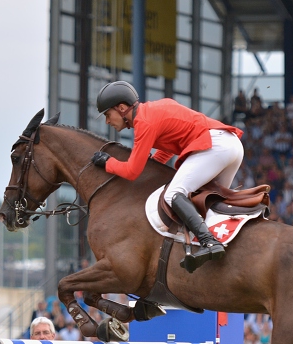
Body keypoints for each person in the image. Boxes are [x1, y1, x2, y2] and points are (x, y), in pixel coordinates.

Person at [92, 81, 244, 272]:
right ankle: (224, 245)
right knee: (206, 204)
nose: (107, 121)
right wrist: (153, 167)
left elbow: (132, 171)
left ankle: (209, 242)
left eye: (108, 114)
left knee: (173, 194)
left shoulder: (144, 122)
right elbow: (165, 152)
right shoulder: (152, 112)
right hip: (230, 146)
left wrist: (108, 163)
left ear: (121, 108)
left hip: (216, 147)